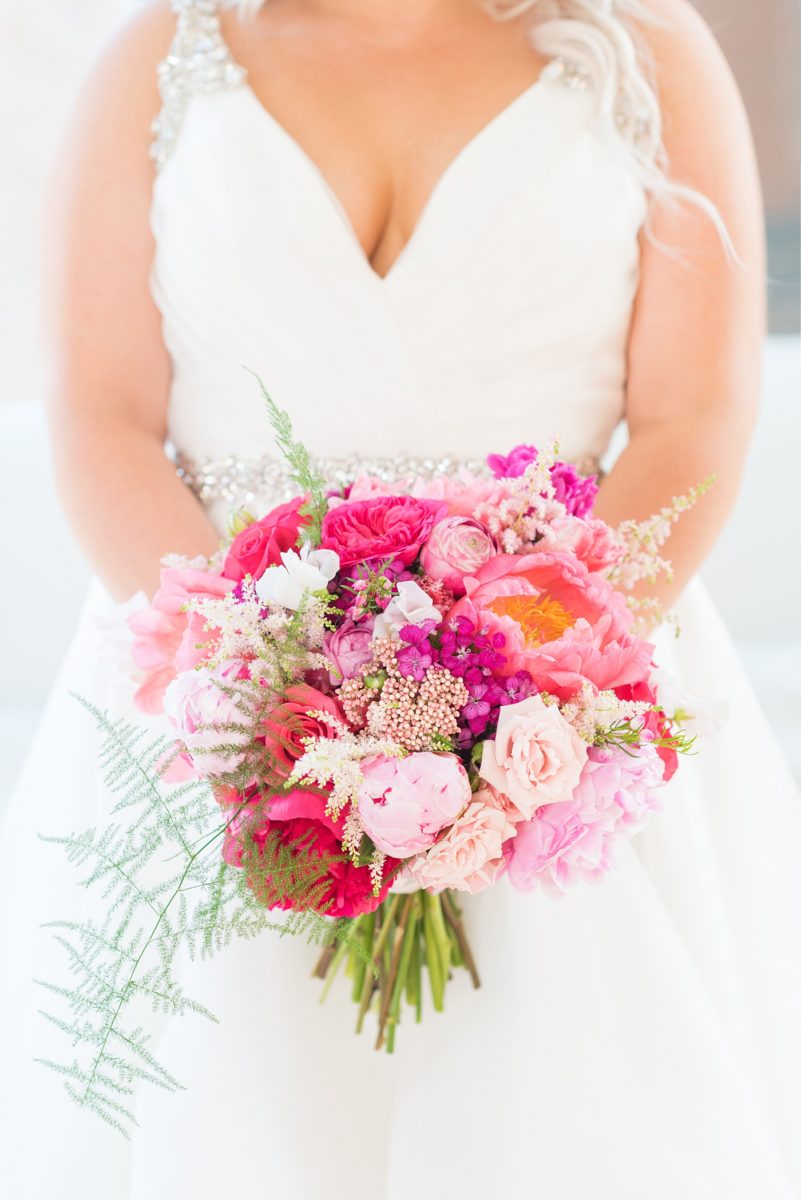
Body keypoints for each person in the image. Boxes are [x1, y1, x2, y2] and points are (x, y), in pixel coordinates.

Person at [2, 0, 799, 1195]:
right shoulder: (159, 58)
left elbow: (695, 421)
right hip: (220, 715)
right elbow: (101, 417)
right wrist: (262, 685)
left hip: (565, 703)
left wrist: (534, 684)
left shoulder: (651, 53)